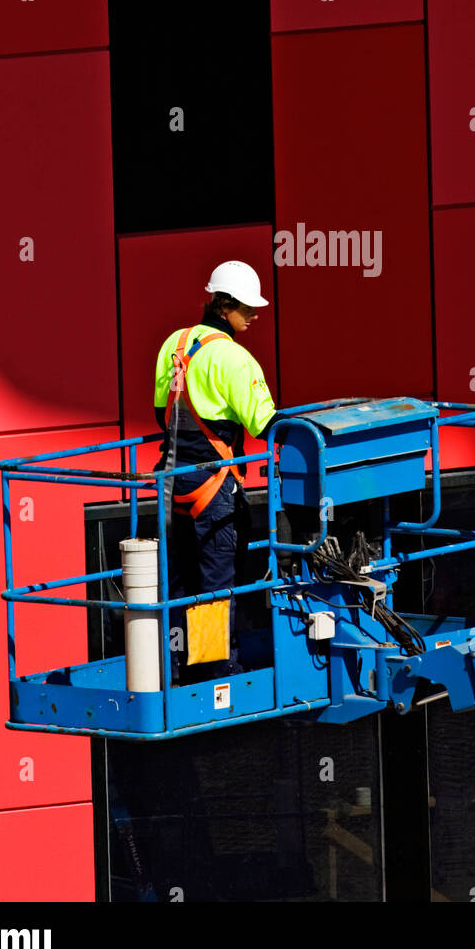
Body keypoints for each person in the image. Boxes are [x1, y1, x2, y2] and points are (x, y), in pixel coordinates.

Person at [153, 260, 278, 682]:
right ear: (225, 306)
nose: (256, 314)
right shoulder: (235, 358)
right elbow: (267, 425)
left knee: (178, 579)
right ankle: (213, 672)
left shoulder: (175, 343)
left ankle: (174, 666)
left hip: (171, 484)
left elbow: (159, 412)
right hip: (214, 488)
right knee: (217, 582)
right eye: (248, 307)